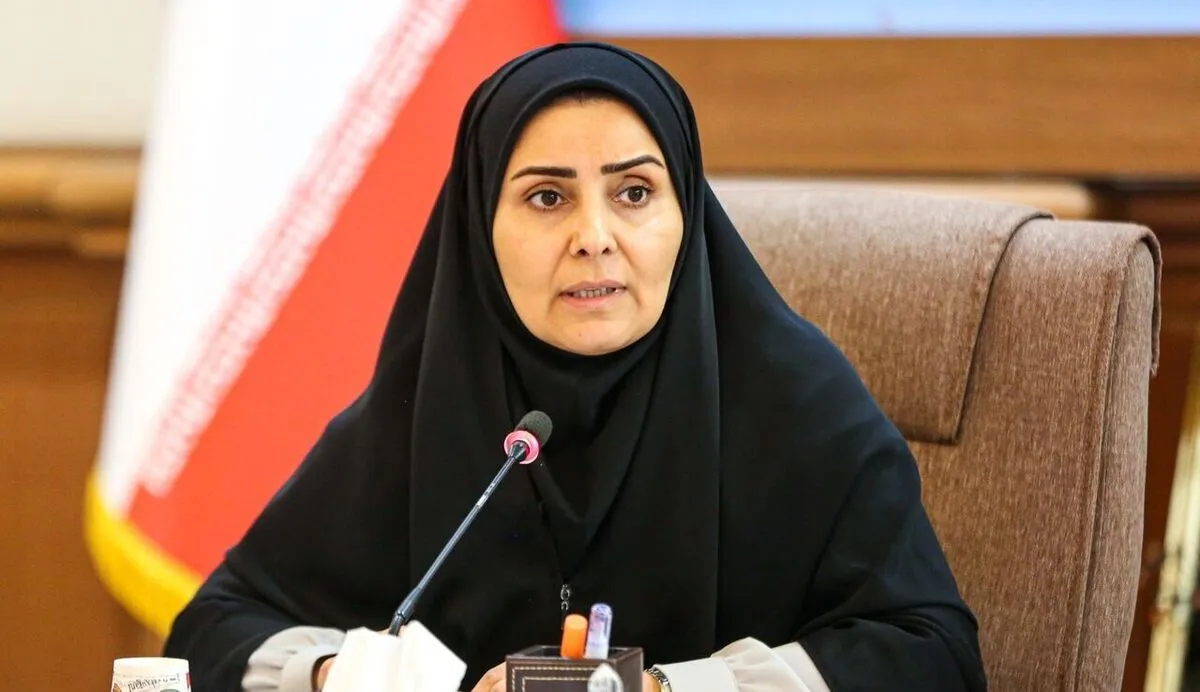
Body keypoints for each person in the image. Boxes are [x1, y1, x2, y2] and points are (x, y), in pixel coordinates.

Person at [162, 42, 987, 692]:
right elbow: (213, 630)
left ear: (686, 212)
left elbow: (931, 653)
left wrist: (666, 690)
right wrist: (338, 675)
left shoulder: (795, 404)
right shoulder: (423, 406)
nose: (594, 237)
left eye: (634, 193)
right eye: (547, 197)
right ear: (480, 228)